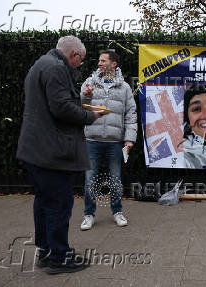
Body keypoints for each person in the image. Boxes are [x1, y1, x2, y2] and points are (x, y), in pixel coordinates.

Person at [16, 36, 105, 274]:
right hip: (51, 151)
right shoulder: (56, 68)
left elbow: (53, 104)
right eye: (81, 60)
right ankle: (58, 257)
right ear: (73, 55)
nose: (80, 65)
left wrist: (81, 103)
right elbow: (61, 108)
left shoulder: (40, 65)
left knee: (44, 202)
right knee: (59, 203)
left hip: (37, 149)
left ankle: (46, 252)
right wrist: (91, 116)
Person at [79, 49, 137, 231]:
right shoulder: (89, 83)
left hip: (114, 142)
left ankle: (117, 212)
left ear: (114, 64)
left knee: (115, 179)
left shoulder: (125, 87)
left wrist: (129, 139)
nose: (99, 63)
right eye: (99, 60)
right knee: (90, 180)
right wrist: (85, 95)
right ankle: (88, 215)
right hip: (92, 140)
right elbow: (79, 106)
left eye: (103, 60)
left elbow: (130, 114)